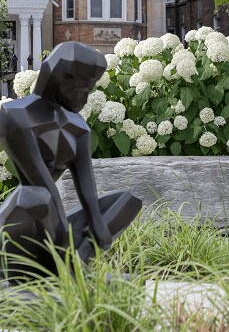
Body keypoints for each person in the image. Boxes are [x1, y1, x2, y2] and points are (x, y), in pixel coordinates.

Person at [0, 41, 141, 279]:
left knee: (126, 201)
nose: (85, 99)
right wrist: (65, 234)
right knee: (36, 196)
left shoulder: (78, 127)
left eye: (89, 89)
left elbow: (86, 185)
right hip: (21, 222)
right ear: (59, 79)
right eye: (81, 89)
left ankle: (76, 264)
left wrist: (97, 223)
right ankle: (70, 272)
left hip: (53, 220)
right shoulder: (15, 115)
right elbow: (40, 180)